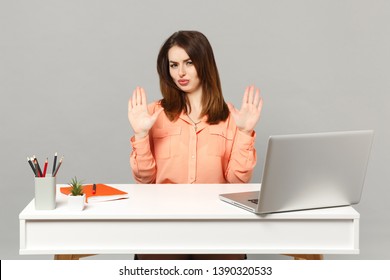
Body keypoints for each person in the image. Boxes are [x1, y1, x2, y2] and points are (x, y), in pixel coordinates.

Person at [128, 31, 263, 260]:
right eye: (173, 65)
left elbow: (236, 183)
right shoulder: (152, 114)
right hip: (164, 227)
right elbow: (145, 180)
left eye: (189, 63)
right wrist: (141, 134)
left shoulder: (231, 116)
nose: (180, 72)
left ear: (204, 63)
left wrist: (244, 132)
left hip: (218, 227)